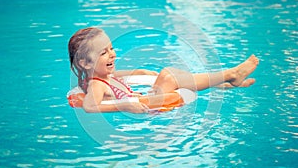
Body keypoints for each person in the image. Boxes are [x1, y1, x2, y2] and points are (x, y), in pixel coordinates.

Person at [68, 27, 259, 113]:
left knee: (166, 75)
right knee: (169, 75)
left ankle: (224, 84)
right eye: (104, 53)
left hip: (147, 97)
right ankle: (230, 74)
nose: (112, 54)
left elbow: (129, 75)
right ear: (85, 63)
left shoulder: (102, 75)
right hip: (152, 107)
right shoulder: (95, 84)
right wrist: (124, 106)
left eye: (111, 48)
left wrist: (146, 73)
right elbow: (90, 107)